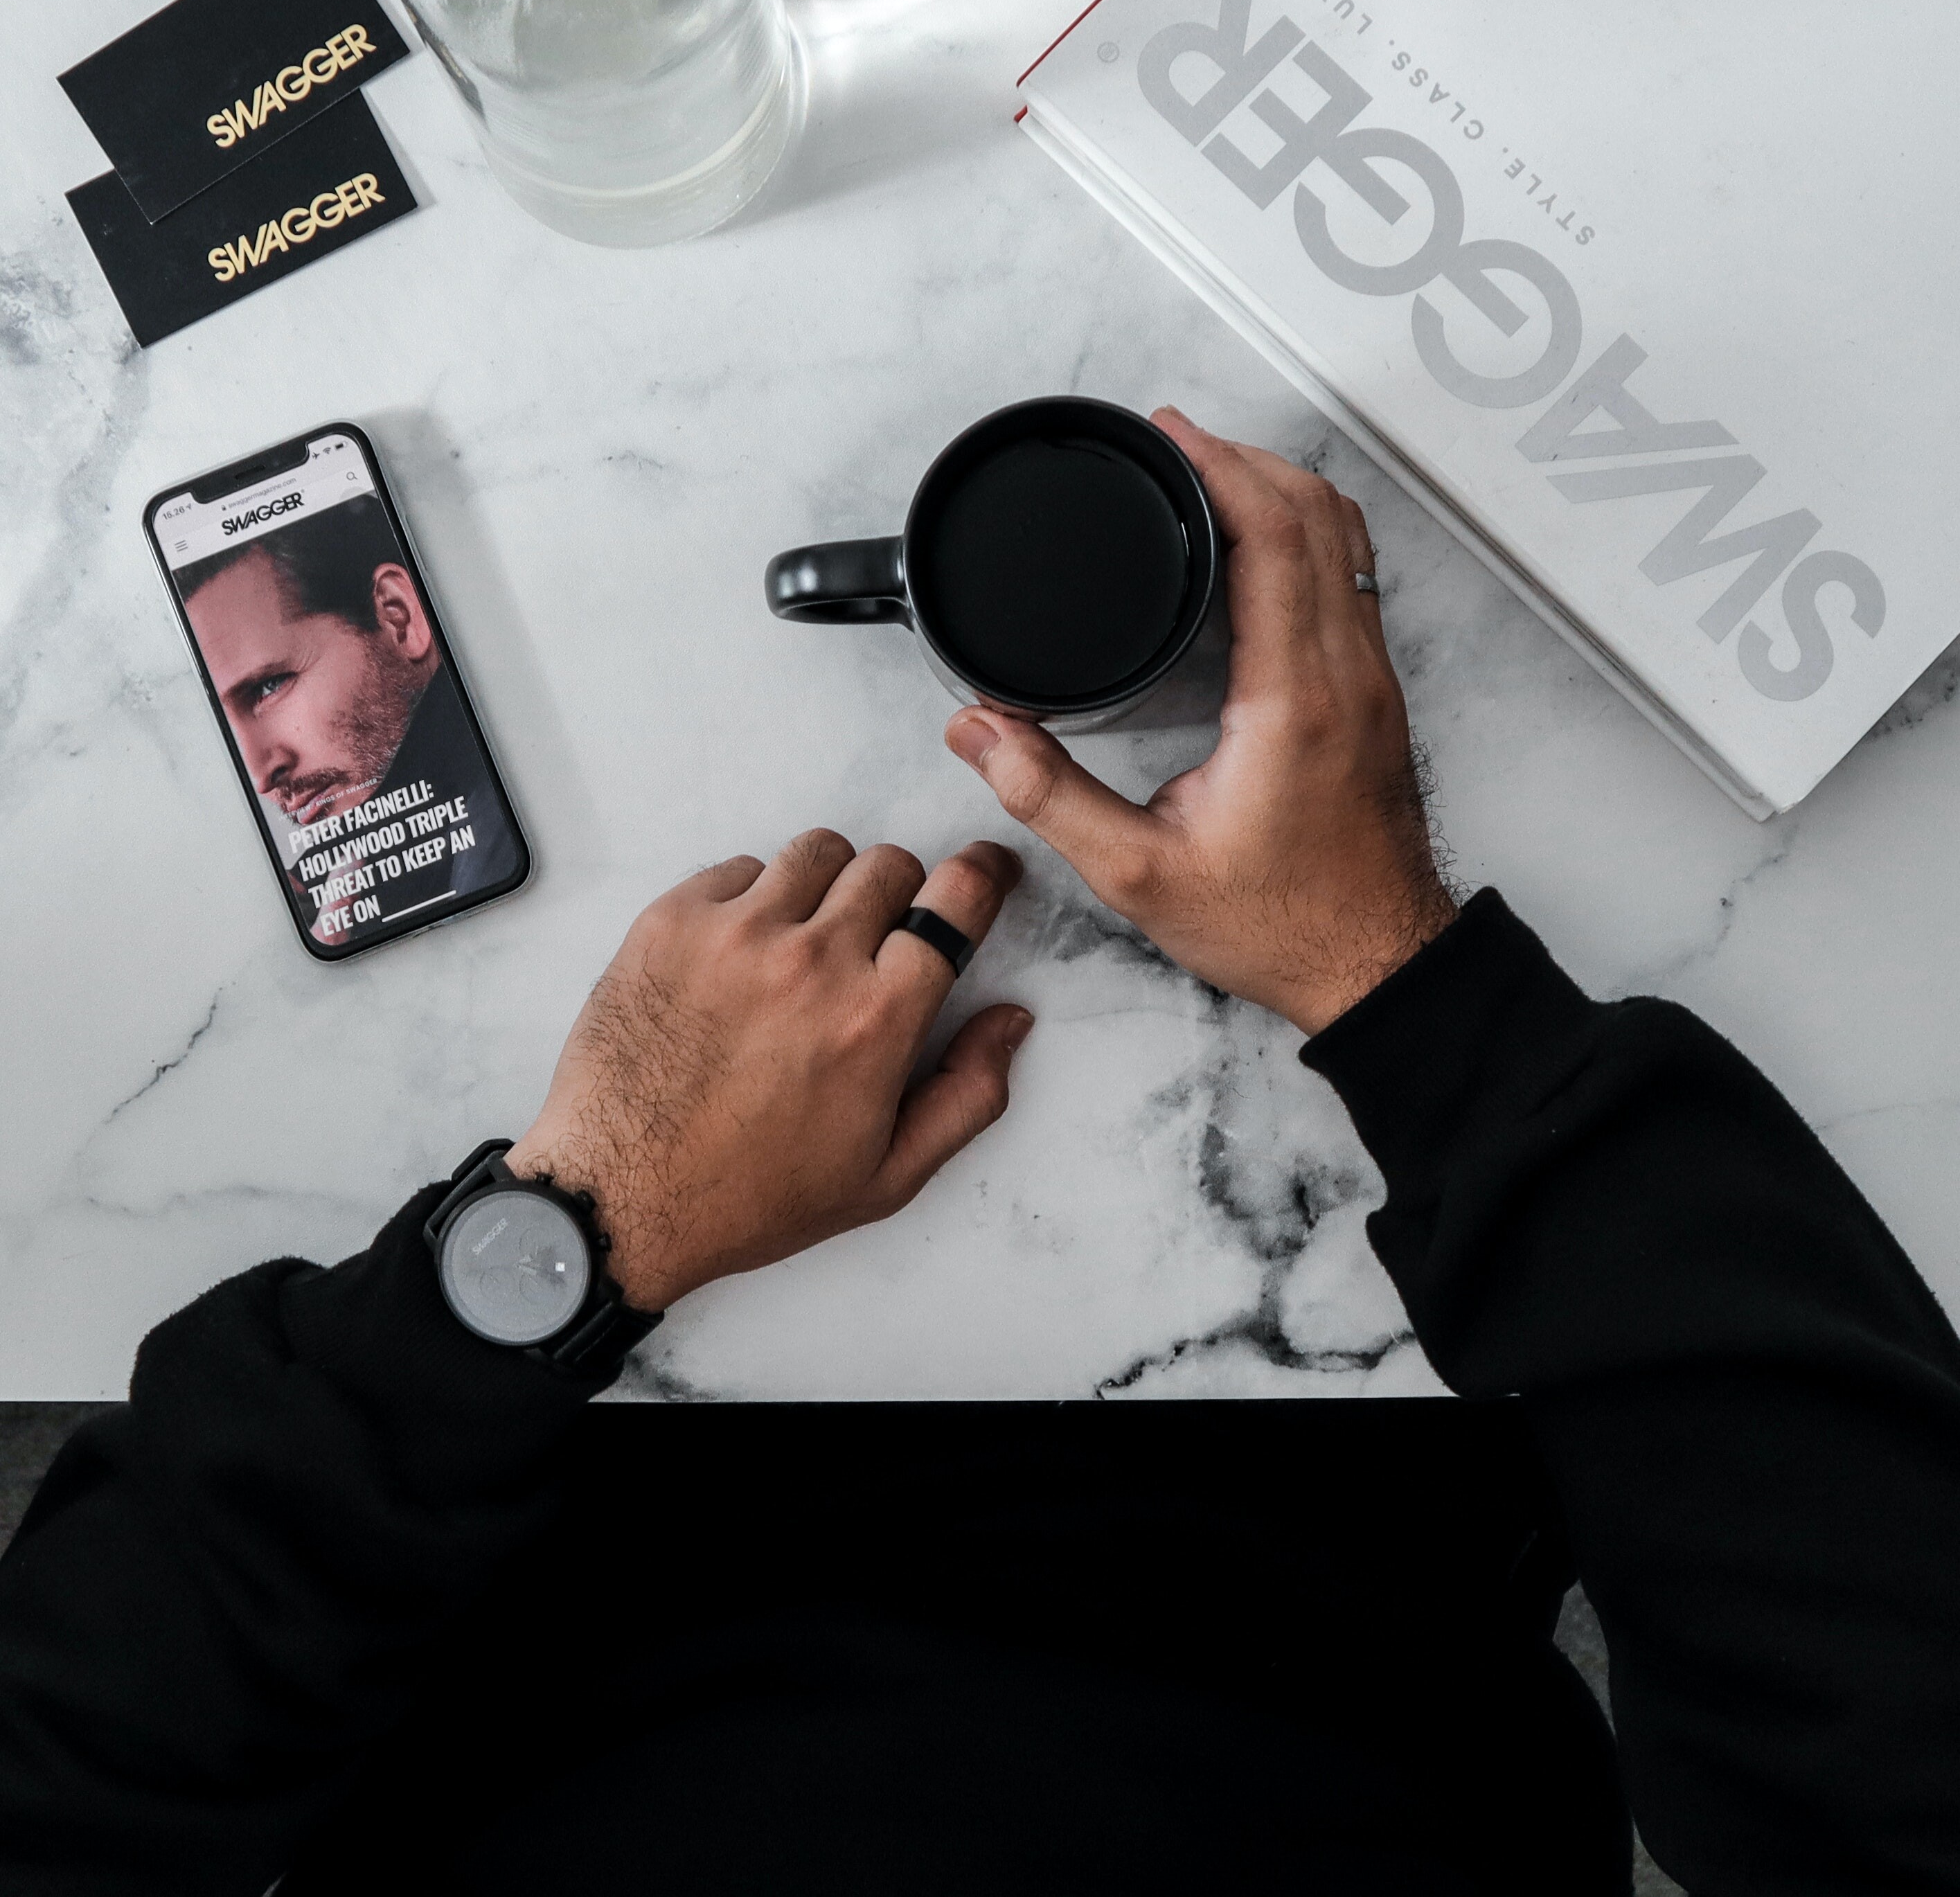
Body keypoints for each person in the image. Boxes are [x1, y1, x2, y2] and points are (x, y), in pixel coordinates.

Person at [3, 409, 1958, 1895]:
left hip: (518, 1508)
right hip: (1359, 1487)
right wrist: (1402, 982)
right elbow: (1890, 1708)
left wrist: (570, 1232)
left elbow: (70, 1745)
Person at [178, 493, 522, 932]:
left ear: (399, 619)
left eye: (270, 686)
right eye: (226, 722)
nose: (261, 775)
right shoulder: (331, 885)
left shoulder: (489, 846)